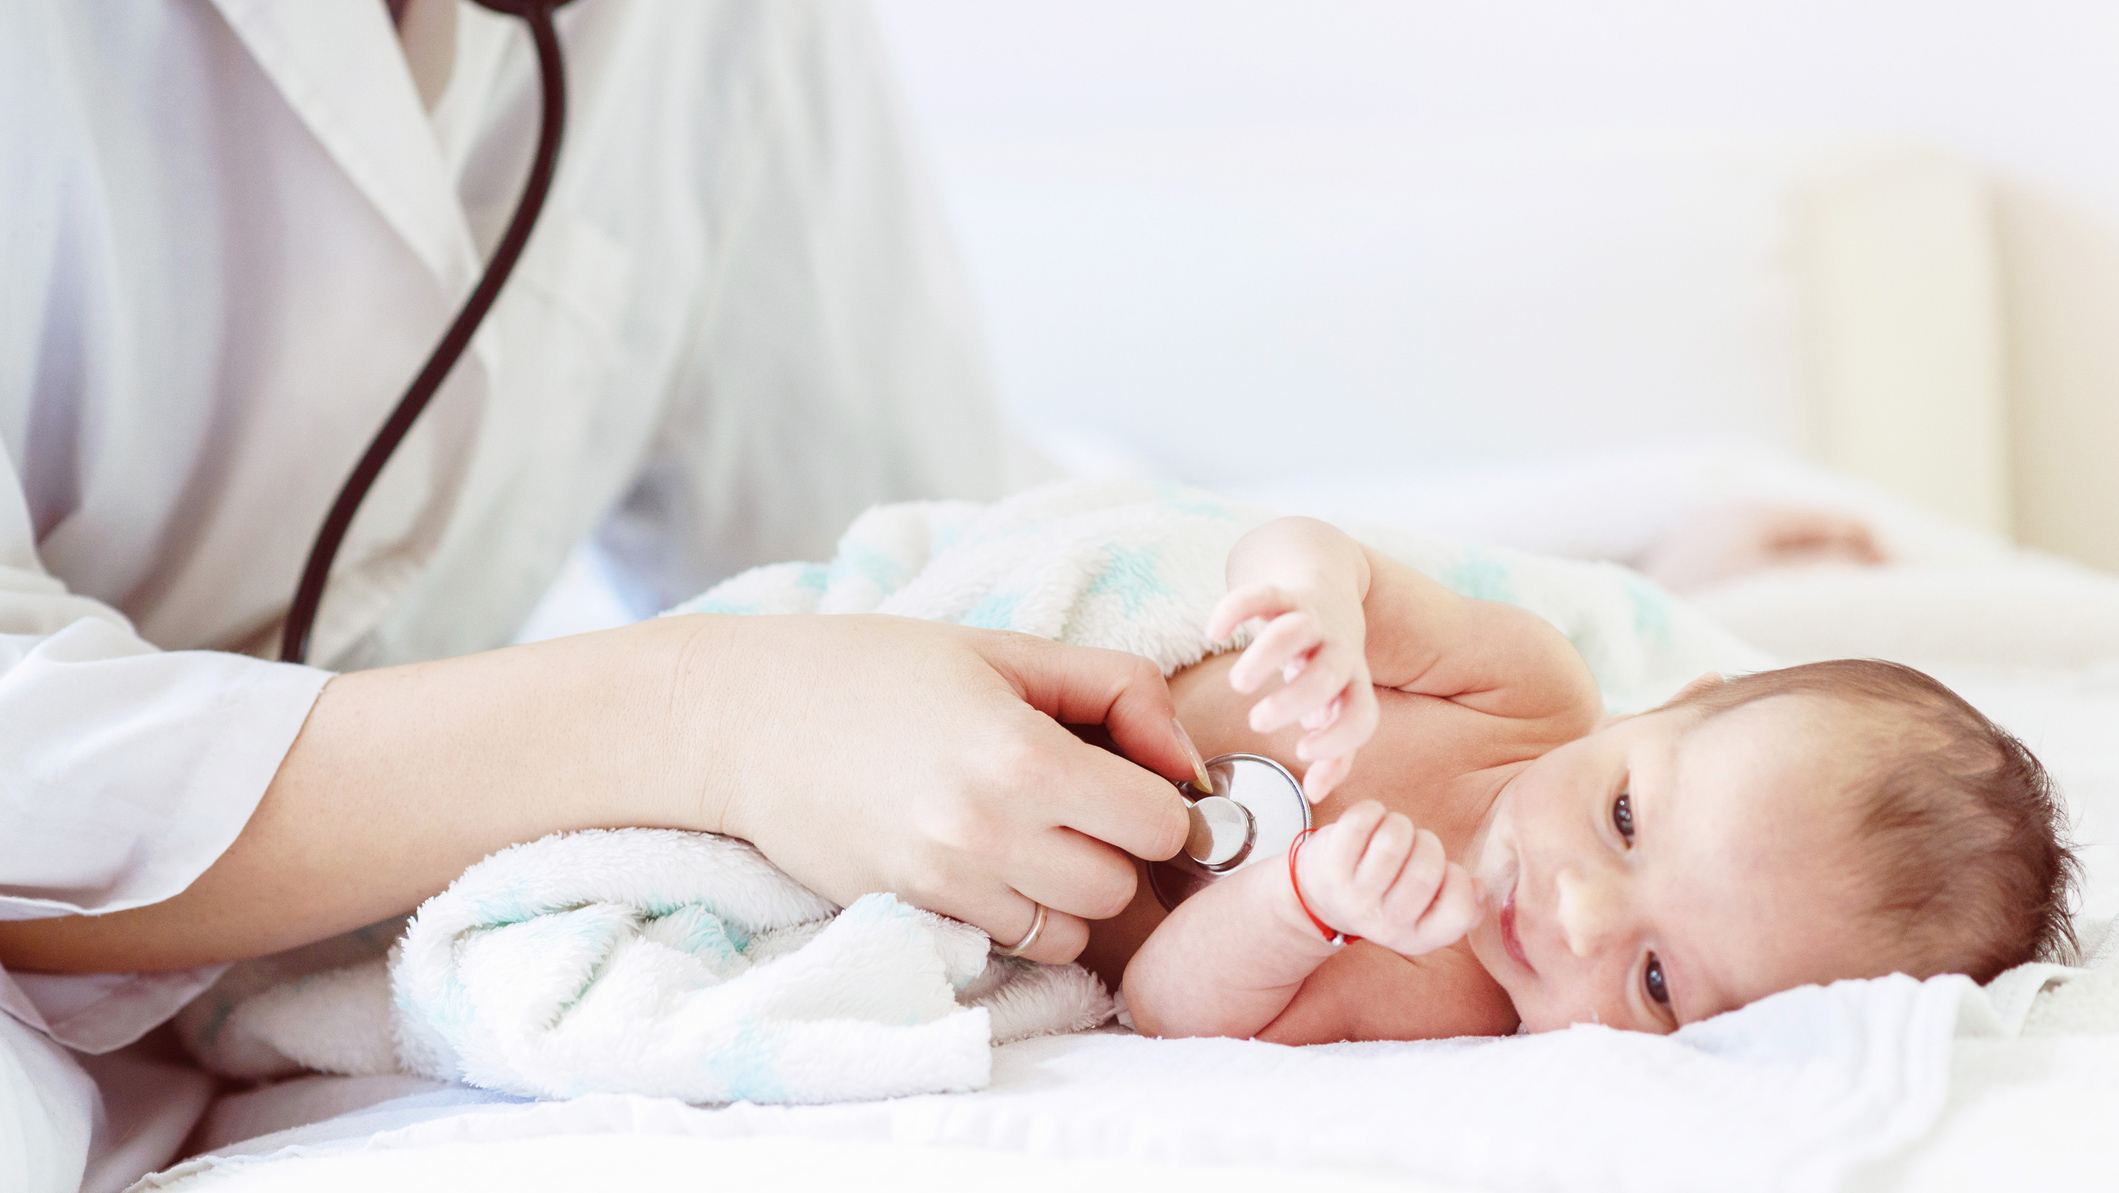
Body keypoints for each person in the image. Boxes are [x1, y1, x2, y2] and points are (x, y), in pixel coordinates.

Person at [0, 4, 1196, 1189]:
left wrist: (1225, 610)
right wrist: (701, 715)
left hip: (295, 999)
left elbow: (944, 575)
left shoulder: (721, 36)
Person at [1106, 516, 2077, 1041]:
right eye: (1623, 817)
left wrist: (1298, 904)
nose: (1575, 912)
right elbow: (1305, 544)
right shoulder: (1522, 691)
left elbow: (1161, 1003)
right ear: (1666, 704)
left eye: (1655, 979)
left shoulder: (1445, 996)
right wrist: (1314, 605)